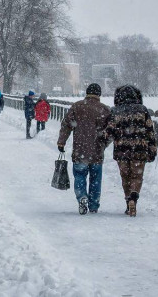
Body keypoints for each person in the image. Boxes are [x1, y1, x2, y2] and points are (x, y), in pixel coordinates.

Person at [98, 85, 157, 217]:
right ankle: (134, 197)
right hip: (139, 149)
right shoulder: (143, 110)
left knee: (125, 177)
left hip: (121, 150)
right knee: (137, 175)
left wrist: (101, 140)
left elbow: (109, 131)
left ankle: (127, 201)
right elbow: (150, 131)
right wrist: (152, 149)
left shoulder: (115, 111)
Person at [57, 83, 111, 215]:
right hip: (97, 151)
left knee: (80, 176)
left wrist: (61, 142)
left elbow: (66, 125)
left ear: (86, 93)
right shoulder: (104, 109)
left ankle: (82, 197)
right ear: (99, 94)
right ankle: (93, 205)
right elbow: (110, 131)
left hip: (80, 150)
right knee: (95, 179)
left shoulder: (77, 106)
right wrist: (104, 144)